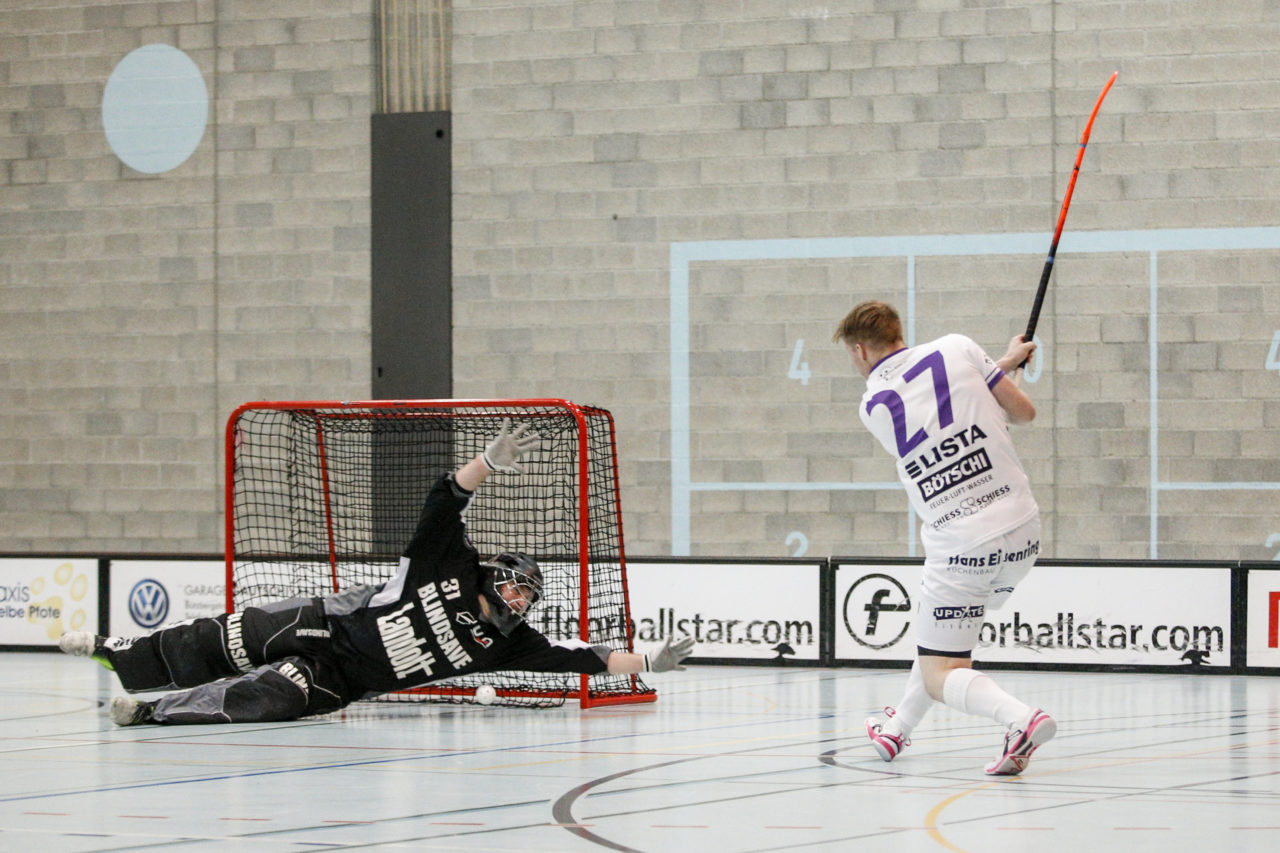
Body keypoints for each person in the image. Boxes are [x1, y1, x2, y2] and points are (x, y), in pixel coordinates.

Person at [60, 420, 694, 726]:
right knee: (225, 639)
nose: (521, 600)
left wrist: (649, 662)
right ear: (491, 574)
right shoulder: (448, 564)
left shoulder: (510, 641)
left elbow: (584, 659)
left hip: (341, 676)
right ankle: (123, 653)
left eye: (529, 595)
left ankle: (152, 714)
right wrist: (487, 462)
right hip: (324, 624)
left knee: (266, 696)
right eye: (516, 584)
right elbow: (444, 498)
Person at [833, 300, 1055, 776]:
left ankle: (1020, 719)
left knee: (941, 674)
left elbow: (933, 406)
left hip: (963, 544)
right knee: (944, 643)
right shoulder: (958, 347)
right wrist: (999, 367)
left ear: (859, 350)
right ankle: (896, 729)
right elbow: (1023, 413)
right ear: (898, 332)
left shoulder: (872, 405)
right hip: (1023, 531)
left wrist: (995, 367)